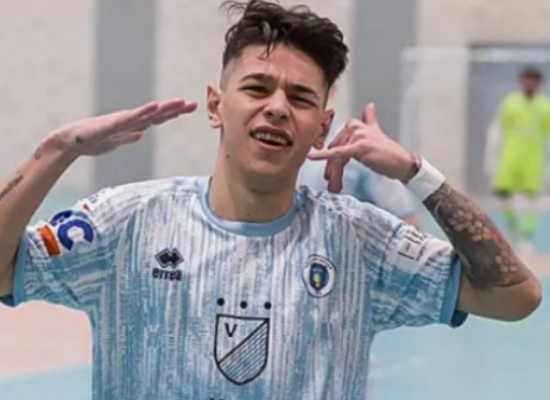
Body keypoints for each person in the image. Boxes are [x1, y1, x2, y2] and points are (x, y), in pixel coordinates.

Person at [0, 1, 541, 399]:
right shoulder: (128, 222)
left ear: (323, 126)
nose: (278, 107)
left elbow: (514, 296)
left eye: (301, 98)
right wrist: (56, 152)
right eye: (257, 88)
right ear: (216, 105)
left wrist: (417, 172)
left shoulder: (360, 241)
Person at [299, 87, 420, 228]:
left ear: (331, 89)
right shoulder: (282, 149)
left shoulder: (358, 145)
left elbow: (408, 222)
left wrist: (408, 168)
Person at [485, 66, 550, 254]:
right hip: (509, 158)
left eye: (533, 80)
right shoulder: (510, 103)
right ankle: (513, 231)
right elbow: (497, 130)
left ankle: (526, 236)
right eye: (526, 79)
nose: (529, 83)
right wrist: (491, 157)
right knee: (503, 195)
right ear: (521, 81)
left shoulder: (545, 107)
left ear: (538, 83)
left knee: (531, 198)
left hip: (533, 160)